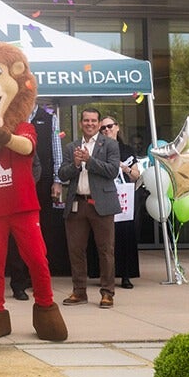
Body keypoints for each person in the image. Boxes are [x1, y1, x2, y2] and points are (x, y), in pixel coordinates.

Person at [58, 108, 121, 309]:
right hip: (77, 203)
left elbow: (112, 171)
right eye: (86, 121)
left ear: (99, 123)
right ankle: (79, 292)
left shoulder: (110, 144)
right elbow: (62, 173)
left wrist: (89, 161)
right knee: (75, 250)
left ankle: (107, 293)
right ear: (80, 123)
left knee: (105, 250)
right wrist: (75, 164)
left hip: (101, 204)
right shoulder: (71, 147)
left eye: (94, 121)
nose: (90, 124)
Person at [86, 116, 141, 289]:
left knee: (125, 234)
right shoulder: (97, 149)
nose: (106, 130)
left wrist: (122, 167)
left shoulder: (126, 149)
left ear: (117, 127)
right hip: (104, 194)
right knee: (104, 237)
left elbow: (136, 175)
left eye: (109, 126)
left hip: (124, 196)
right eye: (103, 128)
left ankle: (126, 275)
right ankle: (104, 274)